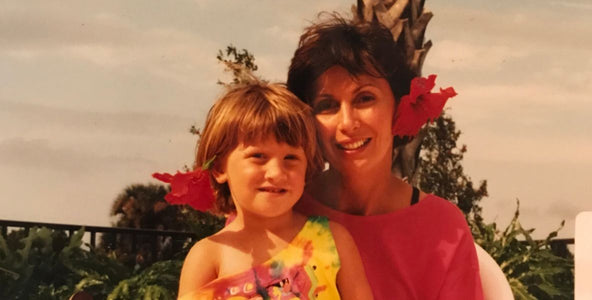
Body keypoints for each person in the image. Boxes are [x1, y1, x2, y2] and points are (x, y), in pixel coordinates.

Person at [287, 15, 484, 299]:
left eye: (364, 98)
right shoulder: (277, 206)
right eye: (327, 105)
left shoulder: (442, 227)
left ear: (399, 105)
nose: (347, 123)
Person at [153, 81, 373, 300]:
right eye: (258, 157)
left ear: (307, 168)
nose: (276, 173)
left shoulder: (333, 240)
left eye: (291, 158)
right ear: (219, 167)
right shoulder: (209, 256)